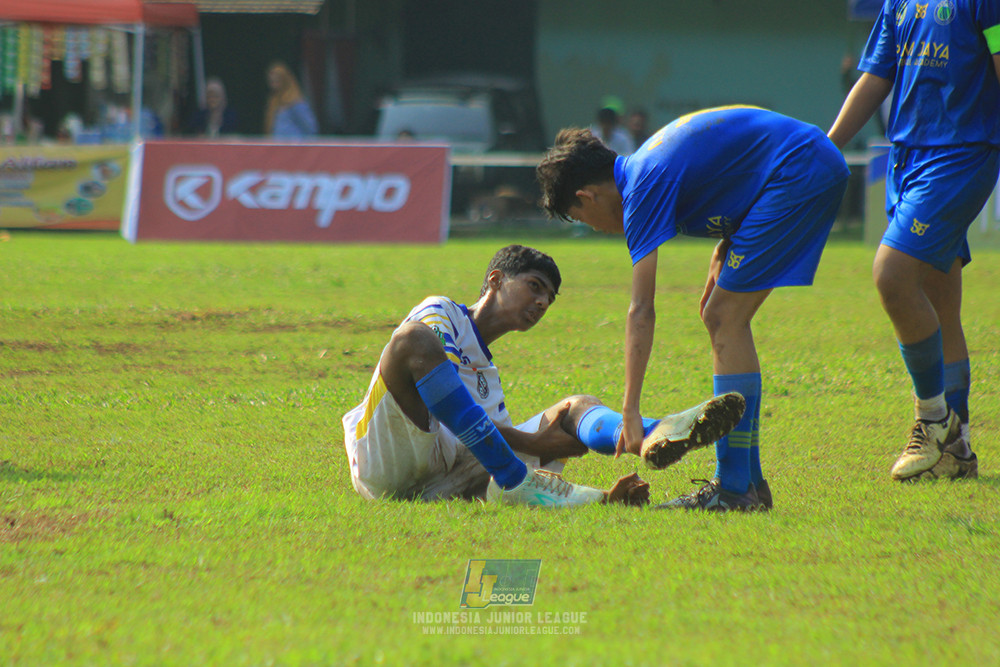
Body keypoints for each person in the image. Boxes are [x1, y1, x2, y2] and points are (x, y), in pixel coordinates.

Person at [537, 106, 850, 511]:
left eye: (582, 217)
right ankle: (749, 484)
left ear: (587, 196)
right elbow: (734, 169)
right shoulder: (645, 168)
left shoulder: (641, 186)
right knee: (721, 315)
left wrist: (630, 409)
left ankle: (734, 489)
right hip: (805, 162)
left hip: (799, 169)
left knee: (724, 316)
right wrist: (725, 247)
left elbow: (641, 309)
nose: (593, 225)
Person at [341, 245, 746, 507]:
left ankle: (656, 434)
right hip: (385, 464)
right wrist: (533, 442)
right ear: (496, 280)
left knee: (576, 407)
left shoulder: (489, 379)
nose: (541, 302)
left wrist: (606, 496)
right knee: (412, 340)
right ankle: (515, 475)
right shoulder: (442, 311)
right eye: (534, 287)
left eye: (548, 299)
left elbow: (477, 440)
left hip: (438, 486)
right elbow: (436, 393)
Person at [828, 1, 1000, 482]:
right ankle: (957, 448)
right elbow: (876, 75)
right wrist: (828, 146)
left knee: (892, 274)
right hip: (907, 158)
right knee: (942, 303)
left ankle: (932, 418)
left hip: (961, 154)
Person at [264, 62, 318, 138]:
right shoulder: (274, 101)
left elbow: (310, 127)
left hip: (294, 146)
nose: (274, 85)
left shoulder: (295, 102)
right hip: (277, 146)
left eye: (277, 81)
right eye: (272, 82)